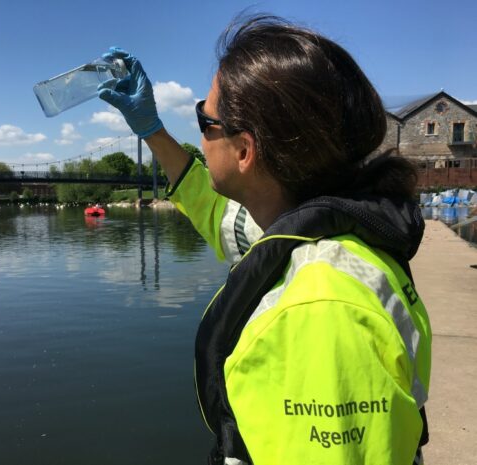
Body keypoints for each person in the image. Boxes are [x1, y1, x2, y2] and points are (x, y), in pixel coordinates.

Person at [99, 14, 431, 465]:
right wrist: (152, 130)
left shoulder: (320, 310)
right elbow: (215, 211)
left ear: (244, 150)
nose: (199, 131)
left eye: (205, 118)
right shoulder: (305, 227)